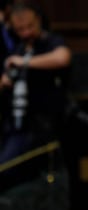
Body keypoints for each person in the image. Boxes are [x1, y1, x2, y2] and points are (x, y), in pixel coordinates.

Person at [0, 1, 72, 164]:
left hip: (44, 125)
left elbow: (62, 58)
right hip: (14, 124)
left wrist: (24, 62)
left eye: (30, 26)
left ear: (39, 20)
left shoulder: (50, 41)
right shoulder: (16, 48)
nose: (26, 33)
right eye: (20, 29)